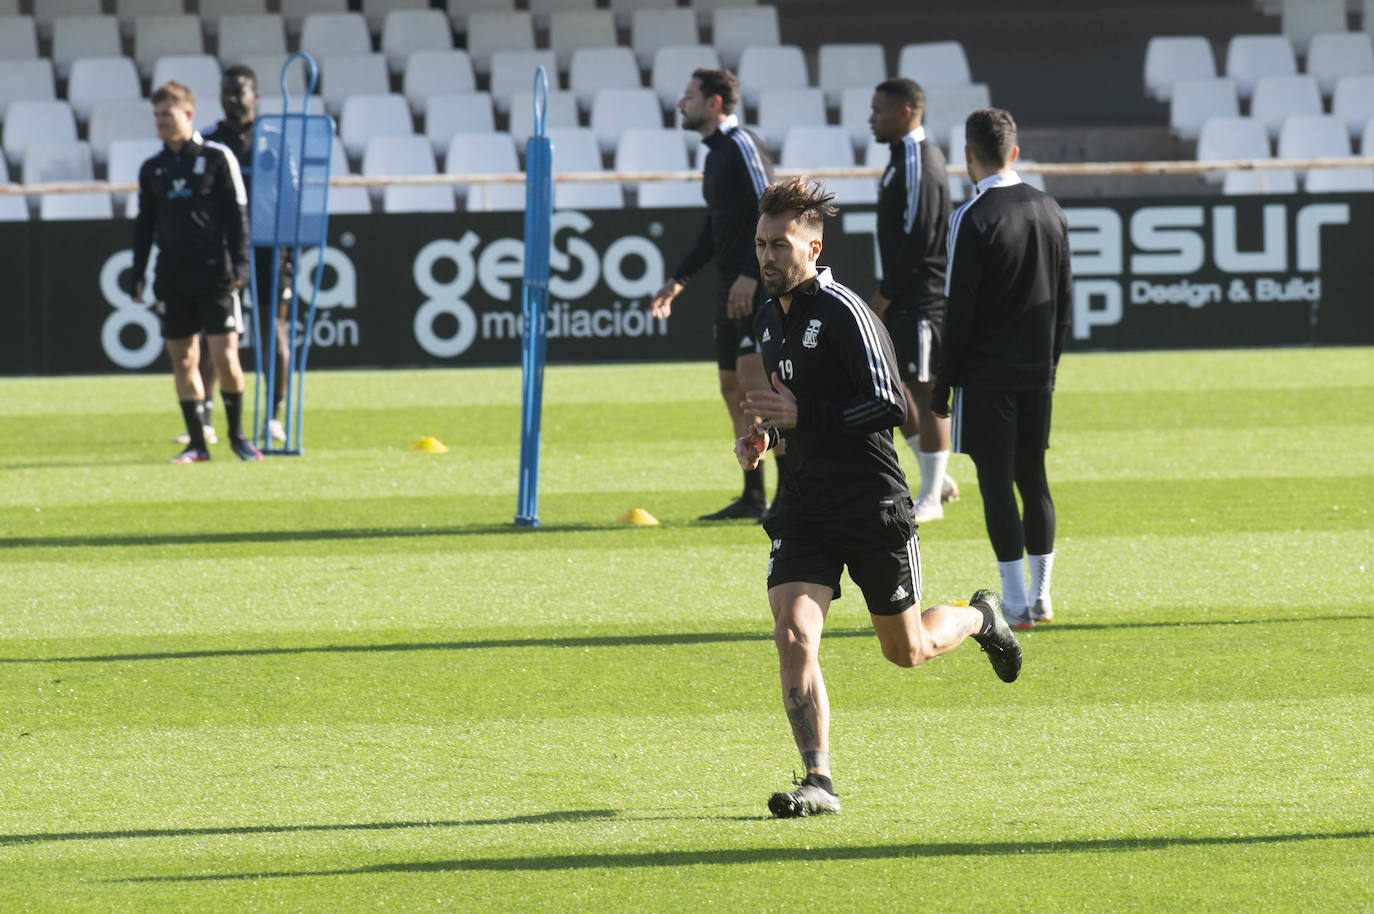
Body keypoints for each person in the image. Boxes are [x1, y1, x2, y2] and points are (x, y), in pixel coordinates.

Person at [738, 177, 1022, 819]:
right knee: (793, 633)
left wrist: (801, 414)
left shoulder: (846, 311)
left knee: (907, 651)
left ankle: (980, 615)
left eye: (780, 245)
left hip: (871, 507)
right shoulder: (767, 315)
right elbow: (794, 410)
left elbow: (891, 405)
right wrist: (767, 435)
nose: (767, 257)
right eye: (760, 244)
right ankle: (819, 780)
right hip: (804, 507)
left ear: (814, 245)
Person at [931, 108, 1072, 628]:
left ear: (969, 155)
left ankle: (1014, 601)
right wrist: (1050, 367)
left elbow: (958, 309)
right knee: (1032, 476)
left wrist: (944, 384)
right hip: (1037, 370)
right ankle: (1042, 597)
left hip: (987, 375)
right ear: (1014, 152)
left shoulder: (970, 217)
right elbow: (1064, 300)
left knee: (994, 481)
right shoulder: (1050, 208)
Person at [652, 68, 776, 521]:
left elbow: (773, 208)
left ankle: (793, 496)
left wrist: (752, 273)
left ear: (714, 103)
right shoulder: (714, 154)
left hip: (757, 287)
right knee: (732, 388)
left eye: (689, 97)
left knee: (757, 388)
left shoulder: (742, 144)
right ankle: (754, 496)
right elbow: (715, 227)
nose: (681, 104)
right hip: (731, 288)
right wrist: (680, 278)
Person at [132, 81, 262, 463]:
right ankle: (197, 444)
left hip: (216, 274)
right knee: (182, 359)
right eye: (156, 114)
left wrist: (240, 266)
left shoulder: (218, 159)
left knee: (226, 359)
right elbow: (144, 224)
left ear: (188, 115)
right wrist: (138, 272)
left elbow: (238, 216)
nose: (160, 121)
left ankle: (237, 435)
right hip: (173, 275)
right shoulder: (152, 168)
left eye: (166, 114)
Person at [867, 78, 959, 523]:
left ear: (905, 112)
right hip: (905, 297)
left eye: (878, 110)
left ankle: (929, 498)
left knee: (924, 392)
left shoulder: (919, 160)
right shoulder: (901, 159)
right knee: (897, 393)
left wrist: (885, 294)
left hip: (921, 298)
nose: (871, 119)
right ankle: (935, 478)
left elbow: (922, 236)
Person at [202, 64, 294, 445]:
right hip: (224, 248)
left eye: (239, 92)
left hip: (269, 246)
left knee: (273, 328)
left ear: (255, 96)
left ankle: (272, 417)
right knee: (215, 331)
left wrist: (289, 246)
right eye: (226, 92)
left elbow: (290, 196)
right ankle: (203, 417)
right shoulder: (210, 142)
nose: (232, 99)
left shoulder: (272, 139)